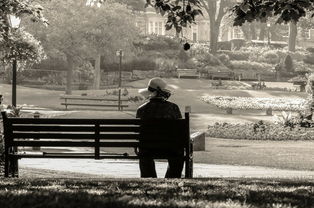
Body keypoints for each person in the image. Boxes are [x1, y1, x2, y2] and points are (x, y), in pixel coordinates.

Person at [136, 77, 184, 178]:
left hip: (147, 148)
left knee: (144, 152)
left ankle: (149, 178)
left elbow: (138, 133)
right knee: (177, 155)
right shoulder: (173, 108)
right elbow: (180, 132)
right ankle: (171, 179)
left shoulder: (141, 110)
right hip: (170, 149)